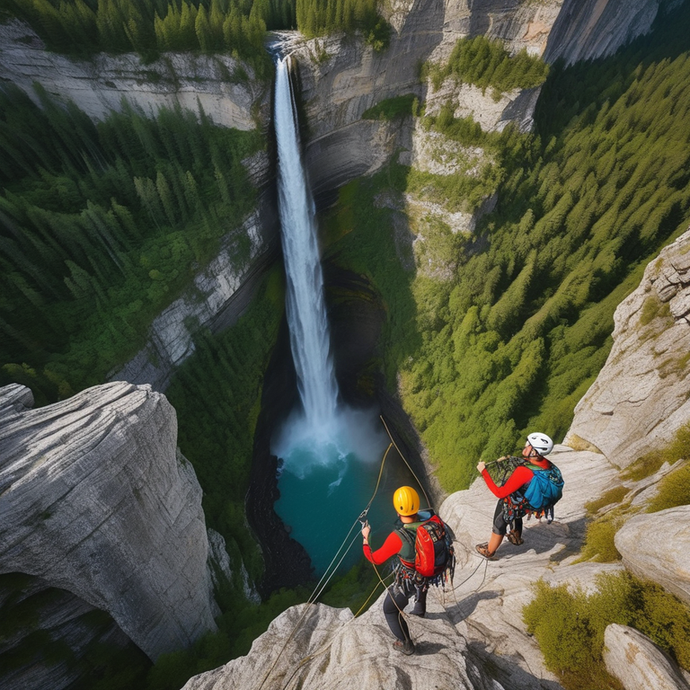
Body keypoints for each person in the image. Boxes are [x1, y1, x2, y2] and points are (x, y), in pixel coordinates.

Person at [360, 485, 429, 656]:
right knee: (420, 582)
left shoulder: (398, 537)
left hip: (410, 579)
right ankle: (419, 608)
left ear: (398, 511)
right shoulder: (429, 522)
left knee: (390, 609)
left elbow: (375, 559)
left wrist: (365, 539)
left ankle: (406, 644)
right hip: (426, 572)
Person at [475, 432, 555, 559]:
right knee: (517, 509)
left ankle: (489, 551)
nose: (525, 445)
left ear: (534, 452)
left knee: (500, 521)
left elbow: (499, 493)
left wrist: (483, 471)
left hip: (519, 502)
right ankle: (516, 535)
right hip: (530, 504)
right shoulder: (547, 465)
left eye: (528, 445)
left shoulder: (524, 472)